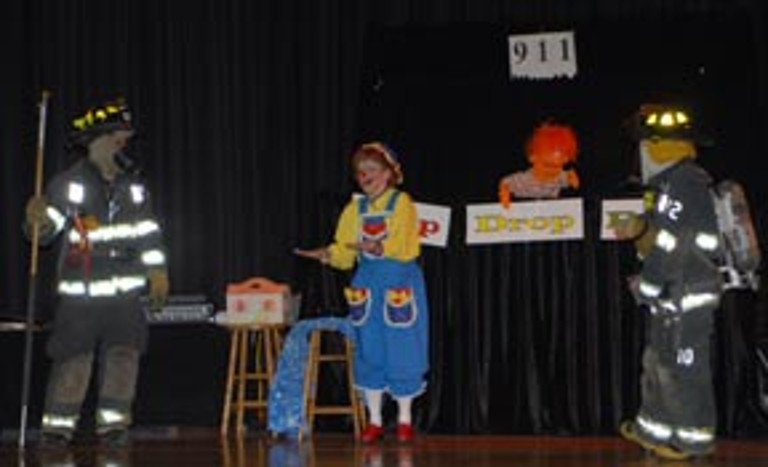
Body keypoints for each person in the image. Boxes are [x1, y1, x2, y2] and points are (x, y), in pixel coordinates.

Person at [24, 98, 170, 448]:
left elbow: (149, 232)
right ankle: (58, 428)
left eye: (126, 137)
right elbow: (46, 235)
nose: (124, 142)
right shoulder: (69, 184)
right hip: (82, 296)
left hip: (125, 298)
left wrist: (158, 270)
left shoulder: (133, 186)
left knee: (123, 359)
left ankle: (114, 427)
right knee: (74, 360)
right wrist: (37, 222)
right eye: (118, 136)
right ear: (98, 140)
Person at [295, 141, 429, 443]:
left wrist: (378, 246)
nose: (364, 176)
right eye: (360, 172)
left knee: (402, 346)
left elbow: (405, 244)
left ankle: (405, 420)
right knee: (369, 349)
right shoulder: (355, 209)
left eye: (371, 170)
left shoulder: (402, 203)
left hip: (398, 282)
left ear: (387, 173)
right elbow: (345, 251)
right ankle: (375, 421)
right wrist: (327, 255)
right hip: (366, 284)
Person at [616, 103, 723, 460]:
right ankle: (654, 430)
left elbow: (671, 242)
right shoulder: (665, 185)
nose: (641, 152)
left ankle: (691, 440)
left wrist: (648, 284)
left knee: (685, 367)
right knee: (658, 361)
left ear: (659, 146)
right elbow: (658, 233)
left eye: (646, 144)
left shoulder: (685, 182)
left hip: (688, 291)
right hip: (672, 292)